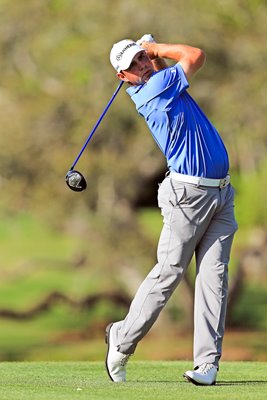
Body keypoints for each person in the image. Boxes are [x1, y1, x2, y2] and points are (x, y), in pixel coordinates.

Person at [105, 34, 238, 385]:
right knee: (170, 272)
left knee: (214, 280)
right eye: (134, 64)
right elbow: (195, 54)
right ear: (123, 77)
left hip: (221, 194)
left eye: (141, 59)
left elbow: (173, 73)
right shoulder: (152, 91)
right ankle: (123, 339)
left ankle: (207, 365)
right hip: (188, 197)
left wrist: (154, 56)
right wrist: (156, 48)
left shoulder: (161, 83)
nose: (142, 65)